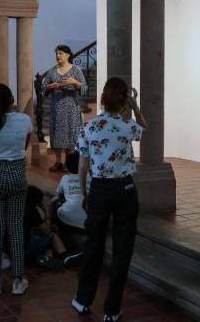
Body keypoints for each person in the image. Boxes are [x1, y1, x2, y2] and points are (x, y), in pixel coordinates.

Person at [71, 77, 147, 322]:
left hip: (100, 191)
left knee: (93, 245)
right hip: (124, 190)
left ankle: (82, 300)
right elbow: (145, 129)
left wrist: (84, 193)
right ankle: (112, 310)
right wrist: (135, 107)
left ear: (102, 98)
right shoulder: (127, 126)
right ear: (123, 100)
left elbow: (83, 165)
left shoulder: (89, 127)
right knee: (122, 251)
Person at [0, 83, 33, 296]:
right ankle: (18, 280)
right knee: (16, 227)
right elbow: (25, 144)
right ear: (12, 100)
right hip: (17, 174)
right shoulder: (25, 120)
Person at [40, 45, 87, 172]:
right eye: (56, 53)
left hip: (72, 108)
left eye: (60, 53)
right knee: (57, 135)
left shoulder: (76, 70)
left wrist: (75, 82)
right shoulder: (52, 71)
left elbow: (84, 89)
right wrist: (51, 86)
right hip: (57, 108)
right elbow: (42, 89)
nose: (57, 56)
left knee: (71, 134)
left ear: (67, 55)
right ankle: (58, 162)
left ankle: (69, 162)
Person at [24, 185, 82, 270]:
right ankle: (65, 256)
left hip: (13, 249)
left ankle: (47, 257)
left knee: (40, 234)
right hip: (26, 249)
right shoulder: (32, 211)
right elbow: (47, 231)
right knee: (52, 235)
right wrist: (47, 213)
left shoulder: (18, 206)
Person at [53, 151, 90, 231]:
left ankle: (54, 229)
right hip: (88, 221)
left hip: (67, 220)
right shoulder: (90, 178)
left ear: (66, 165)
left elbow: (60, 196)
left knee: (54, 202)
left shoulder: (65, 178)